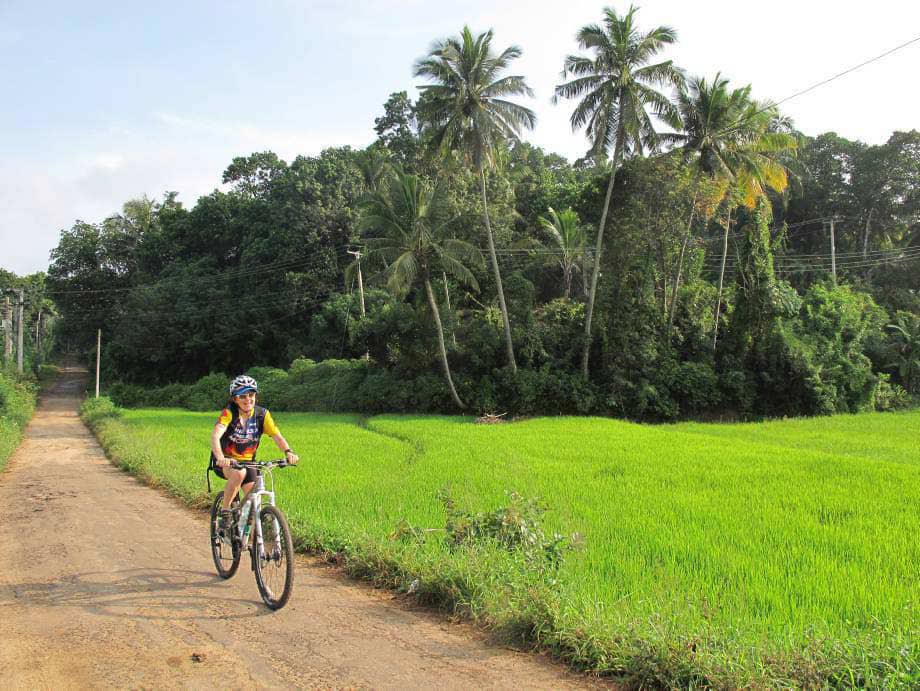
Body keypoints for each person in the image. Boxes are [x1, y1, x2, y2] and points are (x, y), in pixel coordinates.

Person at [210, 375, 299, 530]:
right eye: (242, 396)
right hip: (226, 462)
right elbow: (216, 435)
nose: (248, 399)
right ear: (235, 399)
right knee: (239, 474)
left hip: (249, 462)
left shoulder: (262, 415)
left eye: (251, 395)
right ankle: (225, 512)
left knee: (253, 504)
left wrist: (288, 452)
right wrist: (220, 457)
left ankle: (251, 540)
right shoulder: (229, 413)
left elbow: (277, 436)